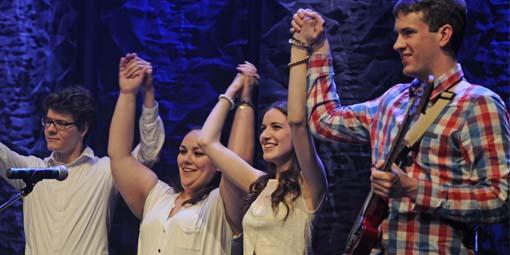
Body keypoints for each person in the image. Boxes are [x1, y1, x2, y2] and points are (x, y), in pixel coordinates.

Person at [290, 0, 510, 254]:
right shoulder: (393, 100)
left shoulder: (477, 104)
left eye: (408, 33)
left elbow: (500, 198)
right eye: (398, 34)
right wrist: (318, 47)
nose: (397, 45)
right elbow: (324, 120)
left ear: (444, 34)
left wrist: (415, 189)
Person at [0, 54, 165, 254]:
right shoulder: (32, 172)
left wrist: (147, 93)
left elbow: (149, 153)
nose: (51, 130)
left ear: (83, 128)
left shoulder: (105, 171)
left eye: (61, 124)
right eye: (49, 121)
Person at [108, 57, 258, 254]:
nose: (187, 159)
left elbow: (239, 163)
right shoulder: (158, 197)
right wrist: (128, 93)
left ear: (220, 164)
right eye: (182, 151)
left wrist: (242, 96)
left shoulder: (219, 205)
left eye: (198, 153)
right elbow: (119, 157)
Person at [197, 47, 328, 254]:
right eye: (263, 128)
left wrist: (298, 48)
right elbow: (206, 141)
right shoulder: (260, 184)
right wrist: (233, 90)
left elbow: (297, 120)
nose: (265, 135)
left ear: (295, 136)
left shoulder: (308, 186)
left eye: (276, 127)